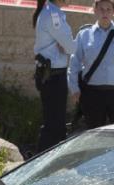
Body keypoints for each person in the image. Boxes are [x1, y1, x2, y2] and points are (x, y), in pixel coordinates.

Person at [67, 0, 114, 129]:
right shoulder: (84, 35)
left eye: (108, 9)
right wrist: (75, 89)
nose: (105, 13)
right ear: (95, 10)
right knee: (94, 135)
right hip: (92, 94)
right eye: (101, 9)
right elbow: (74, 64)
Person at [33, 0, 75, 152]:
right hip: (53, 76)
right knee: (54, 125)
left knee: (54, 122)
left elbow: (67, 45)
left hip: (50, 75)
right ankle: (41, 160)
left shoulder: (51, 12)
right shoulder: (53, 15)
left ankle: (45, 159)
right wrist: (68, 46)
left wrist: (66, 45)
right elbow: (70, 47)